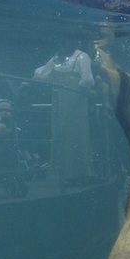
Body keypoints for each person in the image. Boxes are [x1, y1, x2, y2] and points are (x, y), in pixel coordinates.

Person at [33, 41, 96, 184]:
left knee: (70, 131)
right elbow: (86, 80)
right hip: (66, 95)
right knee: (65, 131)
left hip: (72, 97)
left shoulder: (81, 56)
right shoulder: (58, 57)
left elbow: (86, 79)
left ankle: (75, 173)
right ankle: (67, 173)